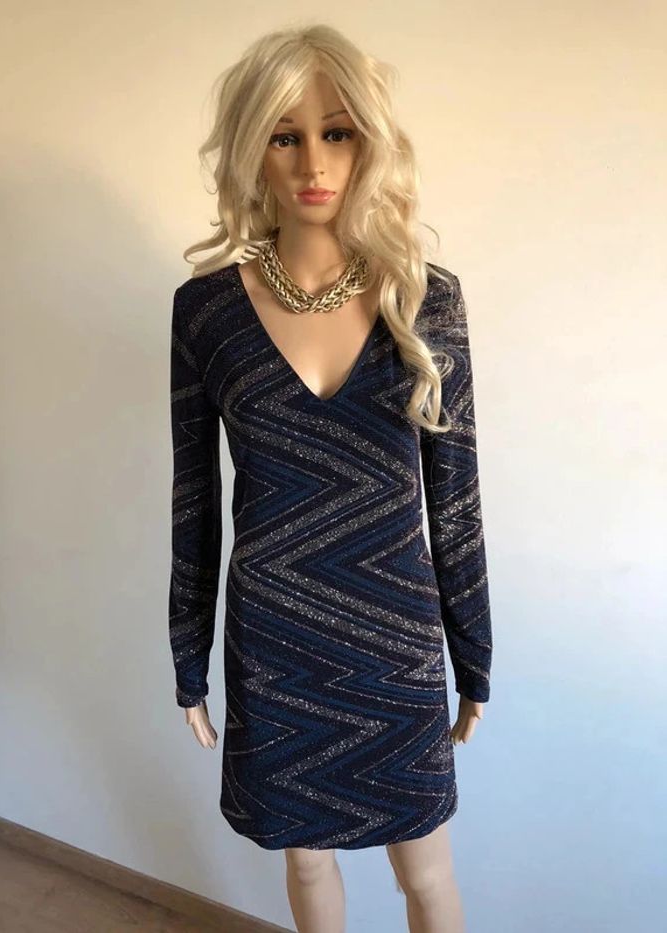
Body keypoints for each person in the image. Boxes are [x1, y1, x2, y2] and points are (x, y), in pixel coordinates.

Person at [168, 23, 493, 933]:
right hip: (275, 648)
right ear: (251, 149)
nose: (313, 162)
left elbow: (457, 506)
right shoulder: (205, 313)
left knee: (426, 873)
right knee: (307, 864)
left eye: (338, 131)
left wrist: (474, 658)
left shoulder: (424, 299)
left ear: (369, 141)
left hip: (396, 646)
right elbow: (194, 506)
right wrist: (188, 660)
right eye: (285, 135)